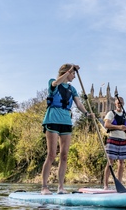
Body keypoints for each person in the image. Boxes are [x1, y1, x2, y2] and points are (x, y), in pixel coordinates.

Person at [41, 63, 95, 195]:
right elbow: (55, 84)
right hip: (53, 119)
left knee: (64, 156)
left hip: (66, 122)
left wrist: (86, 113)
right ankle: (44, 187)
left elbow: (78, 103)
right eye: (73, 73)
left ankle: (61, 187)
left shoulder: (72, 89)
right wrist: (70, 70)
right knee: (52, 154)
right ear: (67, 72)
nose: (75, 76)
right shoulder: (53, 82)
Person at [103, 97, 126, 190]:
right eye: (118, 103)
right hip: (112, 139)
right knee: (110, 162)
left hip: (123, 140)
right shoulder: (111, 113)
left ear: (123, 104)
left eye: (121, 103)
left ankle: (119, 185)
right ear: (115, 104)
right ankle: (106, 186)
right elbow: (106, 125)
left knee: (121, 164)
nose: (120, 104)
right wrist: (119, 127)